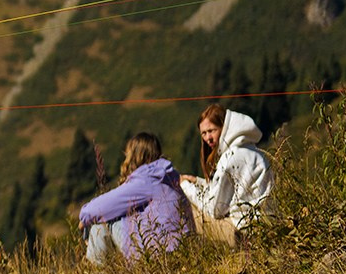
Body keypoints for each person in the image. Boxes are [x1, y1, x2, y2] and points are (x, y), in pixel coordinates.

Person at [78, 131, 192, 263]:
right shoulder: (168, 175)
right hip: (181, 249)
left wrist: (84, 219)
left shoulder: (146, 179)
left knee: (99, 225)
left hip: (156, 252)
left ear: (135, 156)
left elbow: (101, 207)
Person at [180, 102, 270, 246]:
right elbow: (226, 190)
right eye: (204, 133)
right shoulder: (255, 152)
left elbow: (215, 208)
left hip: (243, 229)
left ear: (225, 128)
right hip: (265, 224)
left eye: (212, 130)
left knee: (191, 207)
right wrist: (197, 181)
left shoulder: (230, 157)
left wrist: (185, 186)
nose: (208, 138)